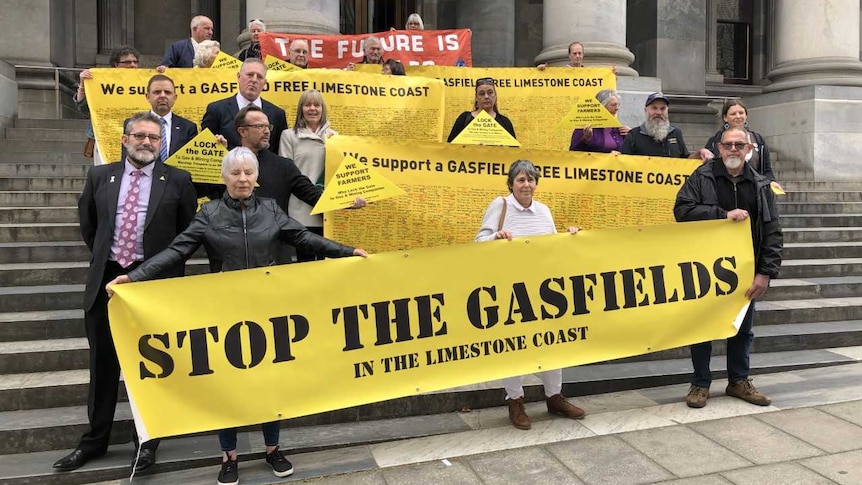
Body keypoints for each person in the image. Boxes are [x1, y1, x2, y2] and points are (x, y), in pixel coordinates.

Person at [105, 147, 367, 485]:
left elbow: (303, 238)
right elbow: (176, 250)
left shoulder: (272, 209)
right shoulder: (209, 214)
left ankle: (273, 449)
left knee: (269, 383)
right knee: (226, 385)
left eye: (248, 173)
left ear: (256, 177)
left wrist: (346, 252)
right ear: (224, 177)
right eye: (235, 173)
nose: (242, 179)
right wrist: (134, 277)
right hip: (225, 313)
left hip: (267, 311)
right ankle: (228, 456)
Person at [52, 112, 197, 474]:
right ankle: (94, 442)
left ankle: (146, 444)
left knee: (149, 368)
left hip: (152, 286)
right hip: (107, 283)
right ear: (124, 139)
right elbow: (90, 226)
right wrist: (111, 261)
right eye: (139, 136)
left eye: (153, 137)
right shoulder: (100, 175)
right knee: (103, 365)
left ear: (160, 143)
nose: (146, 142)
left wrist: (151, 271)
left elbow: (186, 236)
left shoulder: (177, 180)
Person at [674, 127, 783, 409]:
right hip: (705, 268)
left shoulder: (760, 185)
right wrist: (722, 216)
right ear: (719, 148)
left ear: (748, 150)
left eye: (739, 145)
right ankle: (700, 383)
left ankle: (739, 381)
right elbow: (682, 210)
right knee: (702, 328)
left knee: (743, 329)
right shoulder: (701, 176)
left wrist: (765, 272)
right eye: (728, 145)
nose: (733, 150)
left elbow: (772, 231)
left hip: (745, 271)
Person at [475, 159, 585, 430]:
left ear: (537, 183)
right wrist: (496, 237)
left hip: (542, 288)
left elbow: (551, 245)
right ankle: (515, 400)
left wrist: (568, 235)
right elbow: (478, 243)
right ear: (511, 184)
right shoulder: (499, 206)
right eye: (521, 180)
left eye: (530, 179)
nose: (526, 185)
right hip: (509, 288)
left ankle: (554, 396)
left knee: (551, 341)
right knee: (513, 344)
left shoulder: (544, 211)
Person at [278, 90, 339, 262]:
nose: (312, 109)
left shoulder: (336, 138)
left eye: (316, 105)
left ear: (322, 109)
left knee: (326, 263)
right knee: (304, 263)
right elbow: (286, 175)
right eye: (307, 105)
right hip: (300, 211)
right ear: (301, 109)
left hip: (326, 211)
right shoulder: (288, 136)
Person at [202, 58, 288, 153]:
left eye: (259, 77)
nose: (254, 80)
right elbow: (206, 149)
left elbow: (278, 152)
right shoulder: (216, 110)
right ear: (239, 77)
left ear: (264, 83)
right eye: (250, 75)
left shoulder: (277, 114)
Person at [75, 45, 140, 162]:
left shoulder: (143, 82)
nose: (133, 65)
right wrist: (83, 84)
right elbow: (84, 109)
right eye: (127, 62)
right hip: (106, 141)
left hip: (135, 139)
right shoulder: (101, 81)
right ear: (116, 65)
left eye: (135, 62)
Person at [704, 99, 782, 190]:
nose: (738, 116)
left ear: (746, 115)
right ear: (725, 117)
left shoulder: (758, 139)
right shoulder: (715, 141)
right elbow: (706, 168)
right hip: (722, 190)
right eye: (733, 114)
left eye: (741, 113)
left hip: (753, 192)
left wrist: (770, 182)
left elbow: (766, 169)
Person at [121, 74, 198, 162]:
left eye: (167, 92)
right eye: (157, 92)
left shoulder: (188, 127)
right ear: (148, 96)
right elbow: (127, 159)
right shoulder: (134, 124)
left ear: (175, 97)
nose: (162, 96)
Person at [620, 92, 713, 160]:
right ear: (646, 110)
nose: (658, 112)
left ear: (667, 111)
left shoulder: (676, 133)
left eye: (662, 108)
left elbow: (685, 160)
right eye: (654, 108)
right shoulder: (634, 135)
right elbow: (623, 162)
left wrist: (699, 153)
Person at [447, 77, 516, 142]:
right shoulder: (464, 119)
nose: (486, 96)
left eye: (490, 92)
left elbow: (514, 151)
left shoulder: (505, 122)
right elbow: (450, 148)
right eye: (482, 94)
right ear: (476, 98)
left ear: (495, 95)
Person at [569, 89, 630, 154]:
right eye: (613, 105)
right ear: (602, 106)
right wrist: (585, 139)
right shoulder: (586, 126)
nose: (617, 108)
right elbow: (573, 153)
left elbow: (631, 153)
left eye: (618, 105)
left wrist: (632, 135)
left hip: (613, 164)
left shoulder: (618, 129)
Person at [537, 41, 617, 73]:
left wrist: (611, 75)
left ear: (583, 55)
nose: (577, 56)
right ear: (569, 55)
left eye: (580, 53)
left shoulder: (588, 73)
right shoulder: (561, 72)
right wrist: (541, 72)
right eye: (574, 54)